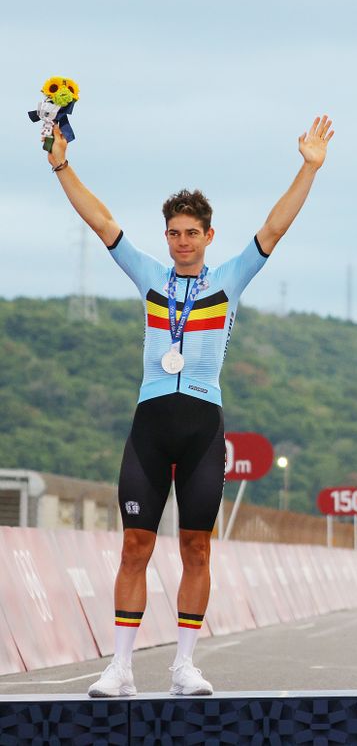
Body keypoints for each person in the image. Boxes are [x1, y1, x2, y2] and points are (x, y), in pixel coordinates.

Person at [44, 117, 334, 697]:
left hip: (202, 426)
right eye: (173, 232)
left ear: (208, 235)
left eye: (190, 232)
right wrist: (60, 165)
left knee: (197, 547)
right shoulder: (149, 275)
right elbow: (100, 221)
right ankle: (121, 668)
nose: (180, 241)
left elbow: (273, 229)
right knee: (135, 545)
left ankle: (183, 665)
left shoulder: (229, 280)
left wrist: (309, 167)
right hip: (150, 423)